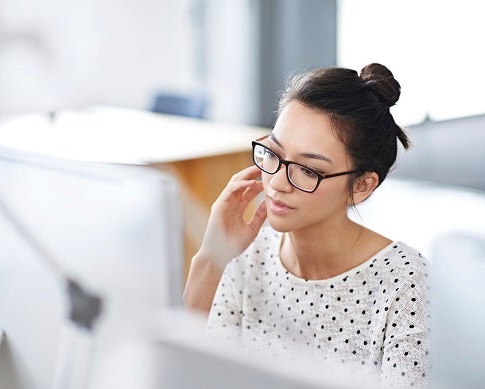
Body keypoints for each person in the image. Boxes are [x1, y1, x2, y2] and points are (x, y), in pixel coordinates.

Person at [183, 63, 430, 387]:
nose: (277, 183)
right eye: (273, 153)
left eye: (308, 170)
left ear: (362, 185)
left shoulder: (406, 282)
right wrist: (211, 259)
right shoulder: (245, 256)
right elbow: (182, 375)